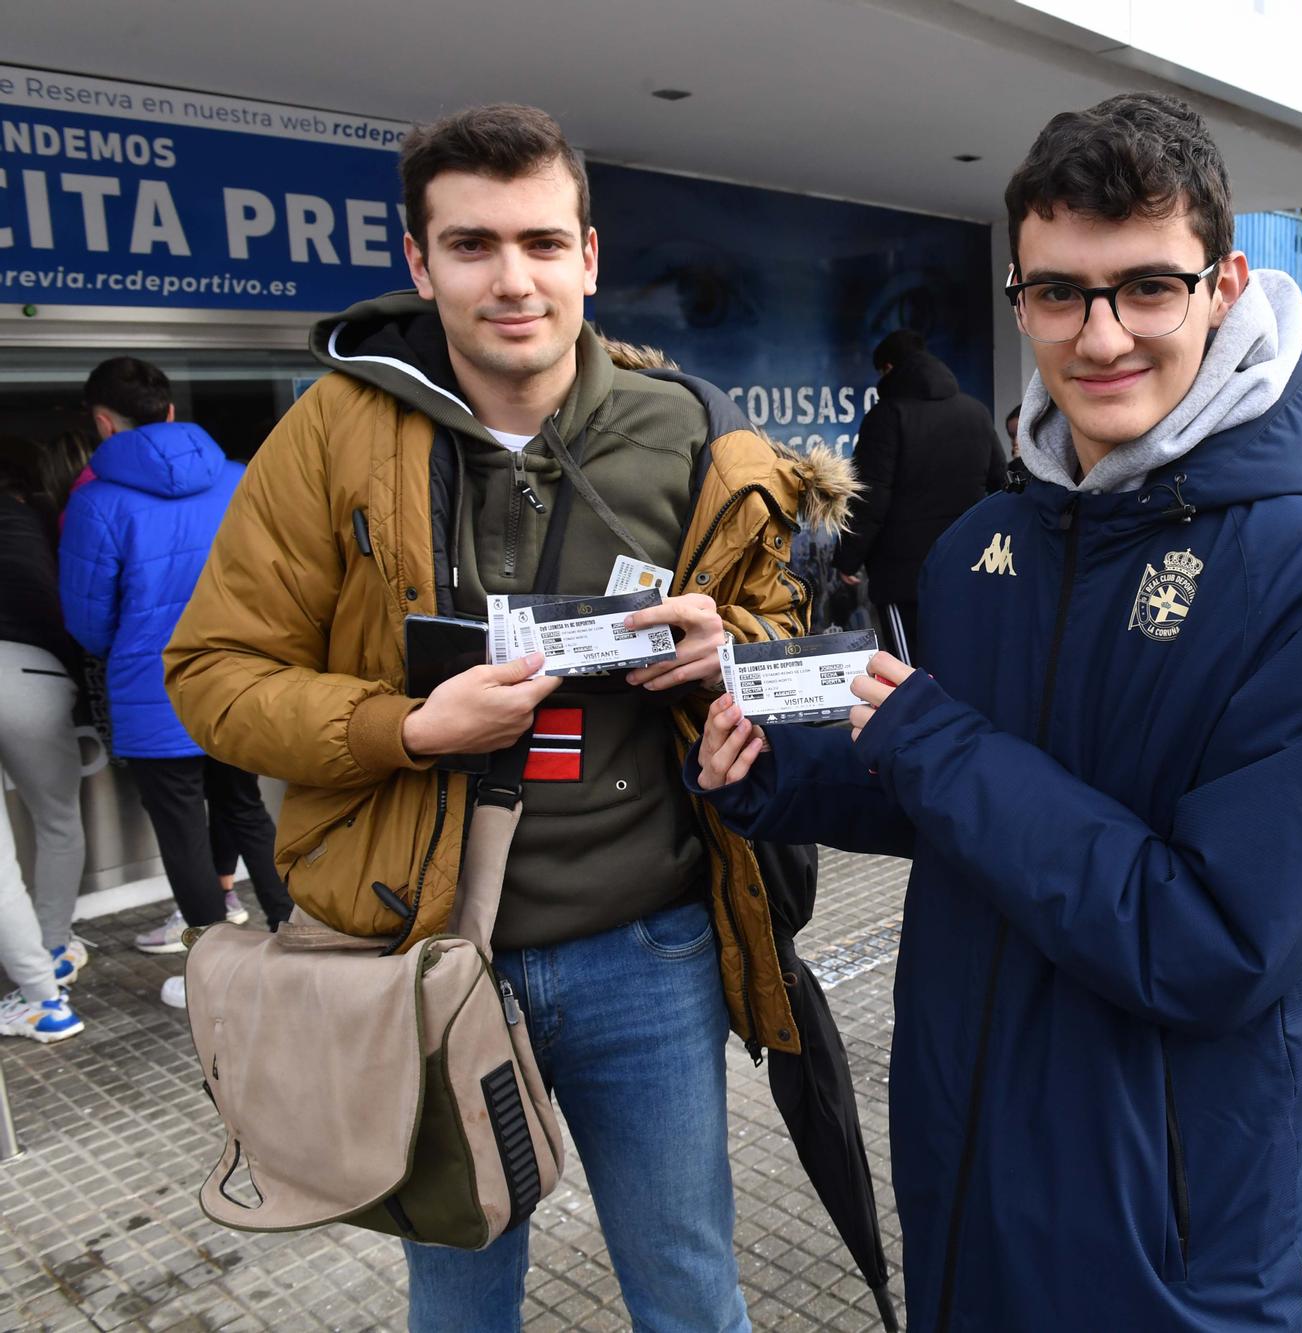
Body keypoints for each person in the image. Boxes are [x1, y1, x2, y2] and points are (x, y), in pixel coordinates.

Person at [693, 91, 1302, 1331]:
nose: (1100, 336)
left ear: (1223, 285)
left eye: (1146, 287)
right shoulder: (988, 541)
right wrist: (764, 760)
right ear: (1018, 295)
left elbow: (1213, 941)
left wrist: (932, 739)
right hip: (962, 1159)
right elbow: (951, 806)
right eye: (1059, 294)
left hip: (1163, 1233)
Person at [165, 103, 856, 1331]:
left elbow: (784, 642)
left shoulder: (689, 430)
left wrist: (725, 656)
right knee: (460, 1290)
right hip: (424, 959)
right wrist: (407, 729)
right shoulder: (333, 430)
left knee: (690, 1286)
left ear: (589, 255)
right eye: (472, 247)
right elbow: (212, 673)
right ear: (421, 262)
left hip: (647, 951)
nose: (512, 280)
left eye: (541, 243)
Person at [57, 358, 291, 999]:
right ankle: (297, 937)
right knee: (245, 810)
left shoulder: (97, 501)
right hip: (236, 678)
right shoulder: (240, 479)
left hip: (153, 687)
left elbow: (87, 619)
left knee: (182, 829)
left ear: (104, 422)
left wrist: (133, 650)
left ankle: (211, 969)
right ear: (168, 411)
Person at [835, 329, 1008, 662]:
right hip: (966, 562)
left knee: (909, 669)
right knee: (958, 663)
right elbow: (1001, 484)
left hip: (902, 574)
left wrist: (848, 557)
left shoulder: (886, 416)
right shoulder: (975, 412)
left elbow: (871, 495)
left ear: (887, 368)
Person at [0, 437, 88, 1041]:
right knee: (58, 820)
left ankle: (42, 996)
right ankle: (56, 947)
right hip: (36, 675)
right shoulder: (32, 521)